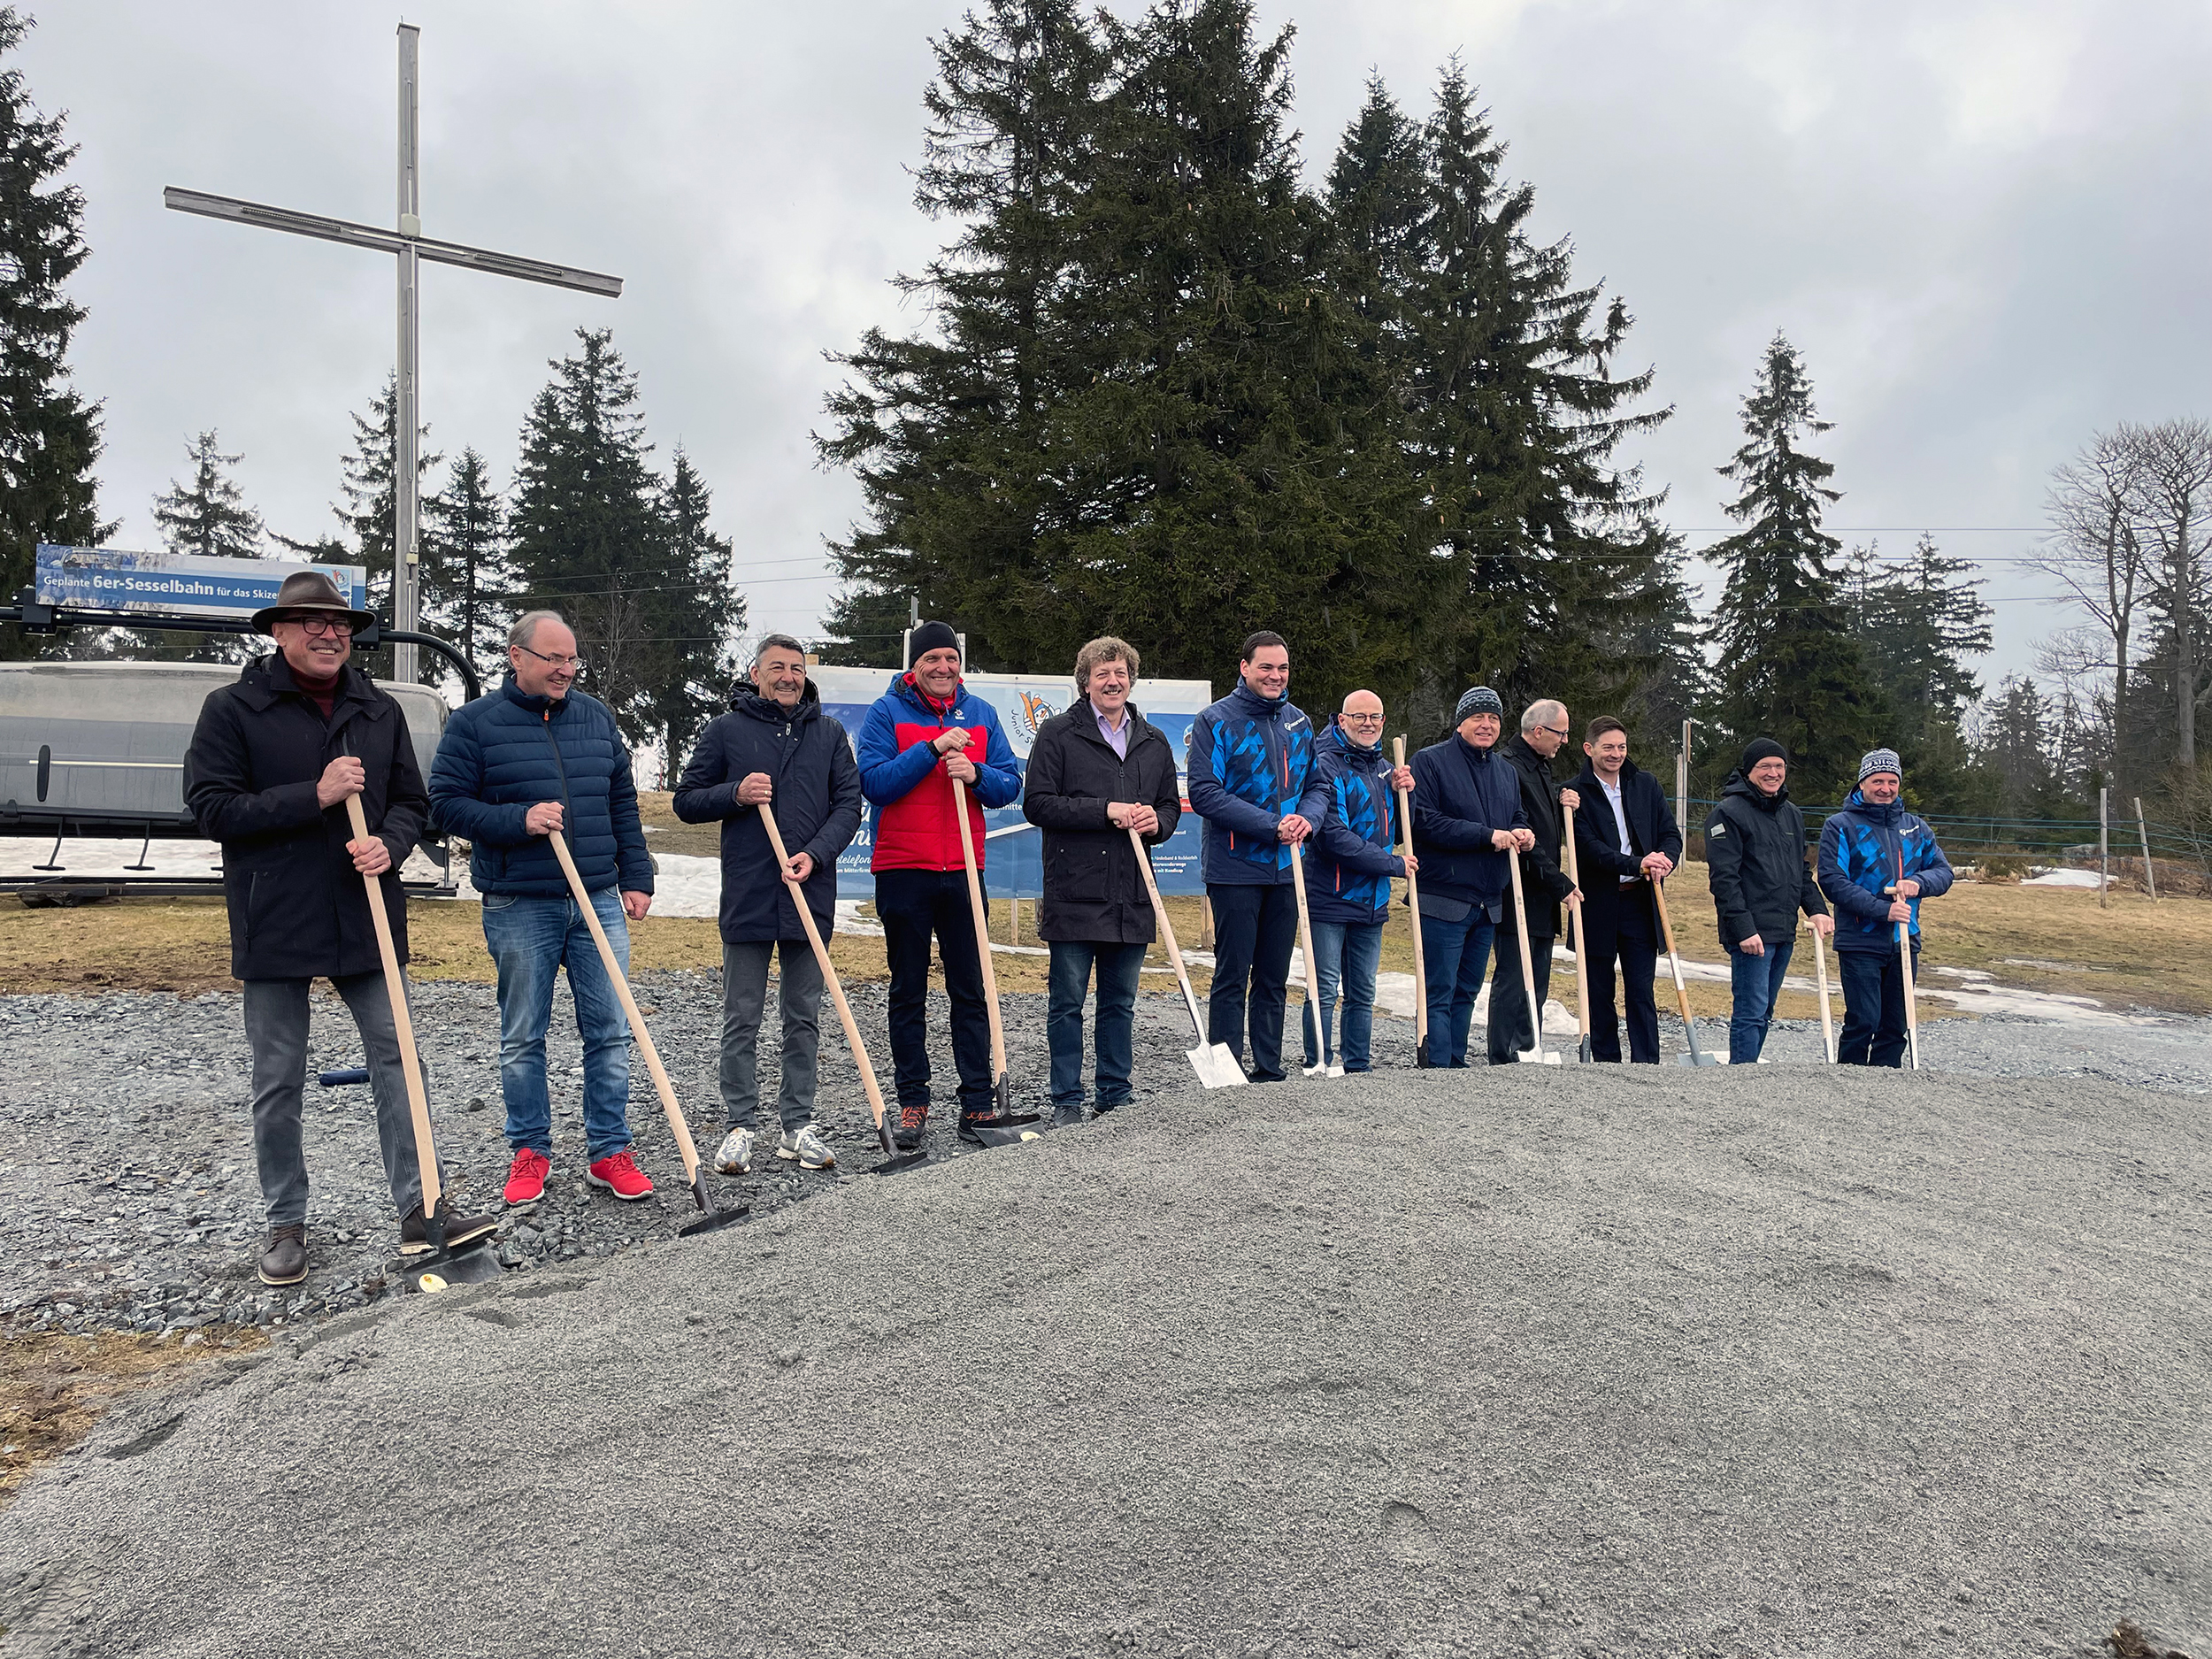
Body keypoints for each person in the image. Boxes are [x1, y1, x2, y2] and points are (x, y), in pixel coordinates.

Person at [184, 570, 495, 1287]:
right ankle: (285, 1222)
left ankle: (423, 1208)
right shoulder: (233, 709)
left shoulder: (377, 710)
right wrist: (315, 795)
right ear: (280, 631)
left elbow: (412, 802)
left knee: (401, 1058)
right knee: (277, 1076)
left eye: (341, 625)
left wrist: (390, 841)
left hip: (365, 912)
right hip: (275, 914)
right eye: (314, 623)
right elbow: (212, 809)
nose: (331, 635)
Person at [427, 610, 657, 1206]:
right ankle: (530, 1150)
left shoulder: (596, 717)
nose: (565, 669)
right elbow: (444, 805)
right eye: (553, 658)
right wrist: (518, 819)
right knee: (523, 1035)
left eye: (572, 658)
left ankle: (609, 1151)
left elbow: (621, 802)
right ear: (517, 657)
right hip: (519, 901)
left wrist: (636, 876)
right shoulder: (475, 724)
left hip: (597, 897)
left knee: (609, 1030)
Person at [672, 634, 863, 1175]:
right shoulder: (726, 730)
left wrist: (816, 855)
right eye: (777, 667)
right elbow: (686, 800)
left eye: (796, 668)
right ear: (756, 674)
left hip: (809, 892)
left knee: (803, 1016)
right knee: (742, 1017)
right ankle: (740, 1125)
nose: (788, 677)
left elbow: (848, 804)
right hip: (750, 894)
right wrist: (734, 793)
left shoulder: (828, 733)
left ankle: (796, 1125)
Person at [855, 621, 1022, 1147]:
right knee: (908, 989)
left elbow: (1009, 784)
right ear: (915, 665)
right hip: (904, 868)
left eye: (951, 658)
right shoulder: (887, 712)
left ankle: (977, 1103)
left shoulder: (982, 714)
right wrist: (930, 749)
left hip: (965, 870)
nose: (943, 667)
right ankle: (913, 1102)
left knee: (970, 988)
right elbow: (874, 783)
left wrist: (975, 774)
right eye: (932, 659)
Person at [1020, 636, 1183, 1124]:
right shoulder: (1058, 734)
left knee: (1120, 1003)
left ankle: (1114, 1094)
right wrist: (1105, 811)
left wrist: (1158, 822)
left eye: (1120, 673)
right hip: (1075, 890)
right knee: (1067, 1003)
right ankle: (1067, 1100)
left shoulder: (1153, 741)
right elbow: (1038, 804)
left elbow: (1170, 806)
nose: (1113, 682)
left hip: (1132, 893)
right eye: (1102, 674)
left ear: (1131, 680)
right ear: (1085, 682)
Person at [1186, 631, 1317, 1083]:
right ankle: (1226, 1071)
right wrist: (1271, 825)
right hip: (1234, 868)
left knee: (1274, 975)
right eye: (1266, 667)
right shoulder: (1215, 720)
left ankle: (1268, 1067)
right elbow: (1205, 793)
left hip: (1287, 869)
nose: (1275, 676)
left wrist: (1307, 820)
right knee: (1233, 973)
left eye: (1282, 668)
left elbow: (1317, 785)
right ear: (1244, 668)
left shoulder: (1299, 723)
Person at [1409, 687, 1531, 1067]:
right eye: (1478, 717)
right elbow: (1424, 822)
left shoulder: (1506, 772)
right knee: (1439, 990)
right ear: (1460, 722)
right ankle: (1436, 1066)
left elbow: (1516, 816)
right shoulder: (1429, 762)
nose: (1486, 725)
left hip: (1487, 902)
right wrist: (1486, 835)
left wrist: (1522, 831)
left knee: (1467, 990)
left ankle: (1456, 1064)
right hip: (1442, 897)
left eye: (1493, 718)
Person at [1301, 690, 1416, 1075]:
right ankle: (1318, 1062)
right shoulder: (1325, 765)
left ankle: (1358, 1066)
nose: (1368, 724)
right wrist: (1392, 865)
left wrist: (1406, 795)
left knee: (1363, 991)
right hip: (1329, 896)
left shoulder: (1384, 769)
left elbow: (1402, 829)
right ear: (1342, 720)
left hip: (1372, 901)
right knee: (1324, 988)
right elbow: (1334, 837)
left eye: (1375, 717)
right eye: (1359, 716)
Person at [1817, 748, 1954, 1067]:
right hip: (1860, 939)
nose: (1885, 789)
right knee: (1863, 1020)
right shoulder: (1841, 826)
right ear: (1863, 783)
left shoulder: (1915, 828)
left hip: (1904, 938)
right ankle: (1848, 1082)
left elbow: (1943, 872)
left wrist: (1919, 882)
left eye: (1892, 782)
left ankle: (1887, 1086)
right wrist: (1882, 910)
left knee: (1895, 1025)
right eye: (1877, 781)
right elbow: (1833, 880)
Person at [1704, 738, 1833, 1064]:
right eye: (1765, 766)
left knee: (1765, 1010)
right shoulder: (1727, 814)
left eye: (1779, 766)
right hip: (1751, 933)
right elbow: (1724, 879)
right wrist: (1744, 929)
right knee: (1750, 1010)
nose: (1773, 773)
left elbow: (1801, 872)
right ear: (1749, 771)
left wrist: (1817, 910)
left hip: (1783, 929)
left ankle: (1752, 1072)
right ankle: (1743, 1075)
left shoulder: (1791, 815)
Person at [1568, 717, 1680, 1064]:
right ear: (1589, 749)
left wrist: (1664, 861)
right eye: (1608, 747)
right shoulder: (1574, 793)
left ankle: (1646, 1064)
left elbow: (1670, 834)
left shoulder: (1645, 784)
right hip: (1596, 903)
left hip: (1640, 903)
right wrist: (1638, 863)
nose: (1616, 754)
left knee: (1641, 990)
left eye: (1621, 747)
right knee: (1599, 990)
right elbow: (1589, 849)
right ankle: (1606, 1063)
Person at [1486, 700, 1583, 1064]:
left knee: (1537, 978)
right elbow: (1525, 839)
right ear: (1539, 731)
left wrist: (1562, 800)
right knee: (1514, 978)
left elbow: (1543, 821)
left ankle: (1529, 1048)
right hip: (1518, 891)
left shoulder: (1540, 766)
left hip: (1541, 896)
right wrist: (1561, 884)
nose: (1565, 741)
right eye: (1561, 733)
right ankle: (1503, 1055)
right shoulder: (1508, 768)